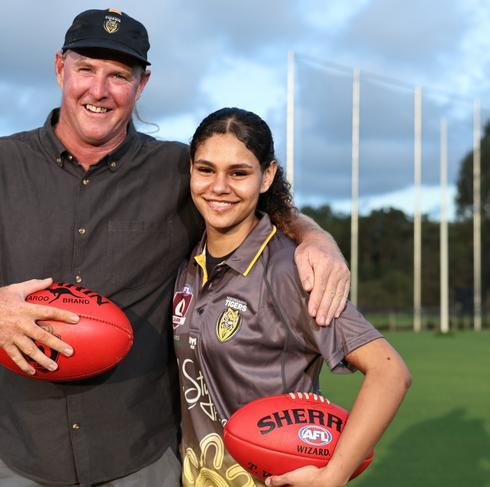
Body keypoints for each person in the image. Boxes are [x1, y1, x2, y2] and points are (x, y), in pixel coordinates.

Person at [0, 9, 351, 487]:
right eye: (86, 69)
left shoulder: (176, 169)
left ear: (142, 84)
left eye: (119, 76)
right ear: (60, 67)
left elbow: (248, 202)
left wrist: (316, 238)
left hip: (140, 457)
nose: (99, 90)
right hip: (18, 453)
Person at [172, 107, 411, 487]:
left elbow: (389, 372)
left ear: (267, 176)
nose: (219, 186)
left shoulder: (289, 269)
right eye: (206, 170)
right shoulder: (190, 256)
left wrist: (333, 475)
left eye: (239, 173)